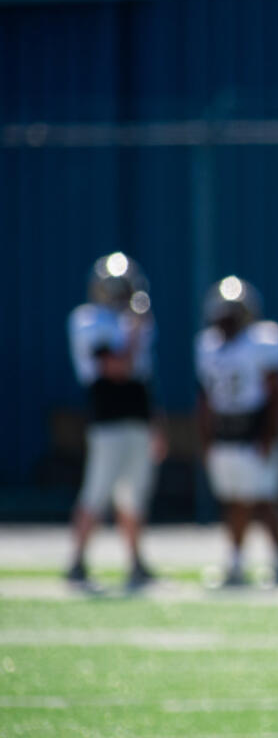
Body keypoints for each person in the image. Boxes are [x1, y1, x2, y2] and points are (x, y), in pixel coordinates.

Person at [66, 252, 165, 591]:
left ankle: (136, 561)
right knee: (96, 491)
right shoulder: (89, 321)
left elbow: (143, 379)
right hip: (108, 419)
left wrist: (156, 424)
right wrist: (135, 331)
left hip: (136, 418)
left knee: (133, 495)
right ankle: (77, 560)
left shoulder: (131, 323)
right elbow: (117, 368)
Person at [194, 276, 278, 587]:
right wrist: (207, 438)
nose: (227, 321)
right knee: (234, 500)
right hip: (226, 431)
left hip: (255, 429)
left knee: (264, 500)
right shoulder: (207, 345)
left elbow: (276, 393)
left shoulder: (263, 342)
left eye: (232, 314)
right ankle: (239, 561)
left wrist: (269, 435)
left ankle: (275, 561)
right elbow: (206, 397)